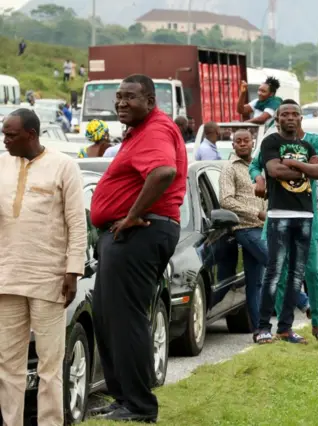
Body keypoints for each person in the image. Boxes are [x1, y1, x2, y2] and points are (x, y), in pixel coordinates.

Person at [89, 74, 187, 422]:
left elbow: (162, 172)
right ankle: (123, 398)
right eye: (118, 97)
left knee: (126, 318)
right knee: (109, 318)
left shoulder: (156, 129)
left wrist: (131, 216)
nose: (121, 103)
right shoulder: (139, 132)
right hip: (128, 235)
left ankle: (139, 406)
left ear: (150, 100)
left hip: (140, 233)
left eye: (130, 97)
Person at [0, 109, 86, 426]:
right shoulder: (1, 164)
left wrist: (72, 271)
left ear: (32, 135)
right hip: (6, 278)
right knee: (8, 363)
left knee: (50, 365)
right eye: (4, 134)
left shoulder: (64, 166)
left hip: (49, 279)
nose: (5, 140)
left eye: (11, 135)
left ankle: (50, 422)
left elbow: (77, 224)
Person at [250, 100, 318, 342]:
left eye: (295, 114)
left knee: (298, 274)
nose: (291, 118)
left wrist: (294, 163)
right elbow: (274, 171)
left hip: (305, 216)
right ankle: (263, 327)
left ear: (301, 118)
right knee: (274, 272)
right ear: (278, 120)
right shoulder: (271, 142)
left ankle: (285, 328)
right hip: (279, 215)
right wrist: (307, 168)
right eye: (285, 114)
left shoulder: (307, 145)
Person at [219, 130, 268, 332]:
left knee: (255, 283)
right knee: (276, 265)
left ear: (252, 143)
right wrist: (256, 213)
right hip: (245, 228)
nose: (242, 144)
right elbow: (226, 200)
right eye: (237, 141)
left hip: (265, 227)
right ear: (233, 146)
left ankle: (259, 330)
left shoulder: (260, 167)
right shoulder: (229, 169)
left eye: (245, 140)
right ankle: (305, 304)